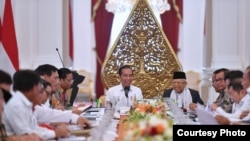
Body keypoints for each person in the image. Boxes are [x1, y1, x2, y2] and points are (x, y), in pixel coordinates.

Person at [2, 70, 70, 140]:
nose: (41, 92)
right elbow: (27, 134)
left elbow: (33, 128)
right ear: (32, 87)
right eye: (40, 89)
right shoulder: (16, 105)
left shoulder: (25, 104)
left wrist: (54, 132)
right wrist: (54, 133)